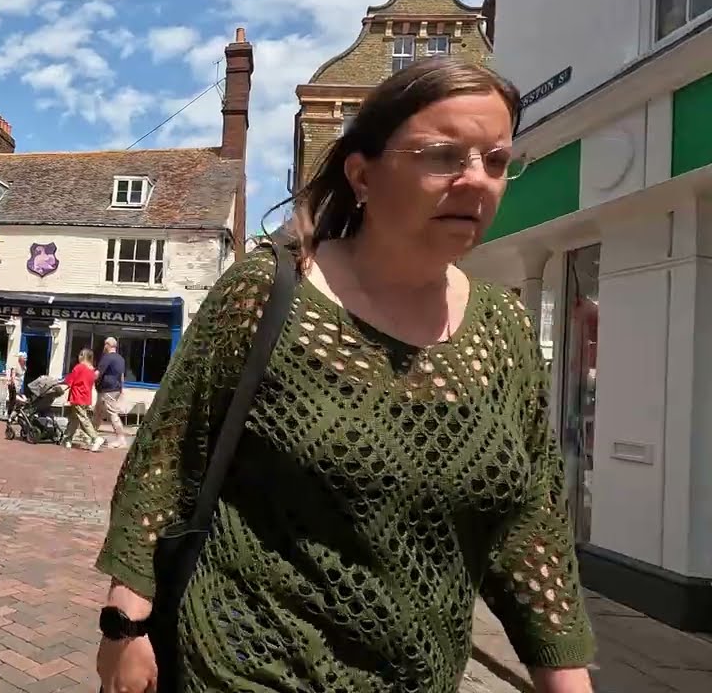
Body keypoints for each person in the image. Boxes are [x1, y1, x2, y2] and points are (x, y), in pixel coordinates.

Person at [94, 58, 596, 693]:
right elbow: (168, 462)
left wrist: (566, 678)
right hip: (244, 665)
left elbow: (530, 526)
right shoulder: (268, 293)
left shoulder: (505, 331)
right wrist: (125, 623)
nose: (477, 179)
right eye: (443, 156)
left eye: (495, 161)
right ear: (362, 175)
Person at [62, 348, 104, 451]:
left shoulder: (79, 367)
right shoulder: (92, 370)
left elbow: (70, 380)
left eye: (80, 354)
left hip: (77, 397)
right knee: (74, 419)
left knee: (82, 418)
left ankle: (95, 438)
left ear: (83, 356)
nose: (78, 356)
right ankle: (67, 439)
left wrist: (62, 382)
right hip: (85, 397)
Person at [94, 337, 129, 449]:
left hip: (107, 390)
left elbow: (98, 373)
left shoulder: (107, 357)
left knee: (112, 413)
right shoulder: (121, 359)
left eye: (105, 344)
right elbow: (122, 375)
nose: (104, 347)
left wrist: (85, 379)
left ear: (108, 345)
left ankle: (121, 439)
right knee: (98, 413)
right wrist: (121, 389)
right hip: (115, 389)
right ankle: (90, 434)